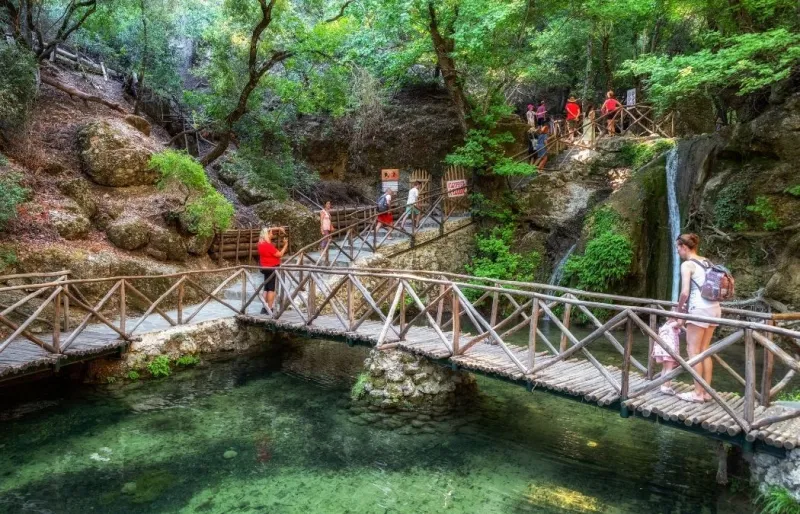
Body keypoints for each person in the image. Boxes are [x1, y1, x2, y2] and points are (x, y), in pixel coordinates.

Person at [676, 233, 721, 403]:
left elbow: (685, 292)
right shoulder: (707, 261)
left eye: (678, 248)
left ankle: (697, 393)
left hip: (699, 310)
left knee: (693, 351)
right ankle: (706, 392)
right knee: (704, 351)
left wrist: (679, 313)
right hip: (715, 309)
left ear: (684, 247)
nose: (678, 251)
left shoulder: (687, 265)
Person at [257, 226, 288, 315]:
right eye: (270, 233)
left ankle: (264, 307)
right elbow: (280, 254)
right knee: (271, 289)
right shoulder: (268, 246)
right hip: (272, 268)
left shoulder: (260, 244)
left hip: (264, 267)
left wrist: (278, 228)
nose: (272, 234)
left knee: (266, 288)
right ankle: (269, 308)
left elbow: (268, 229)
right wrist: (285, 244)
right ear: (266, 235)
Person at [653, 313, 681, 395]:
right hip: (669, 350)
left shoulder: (664, 326)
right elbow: (679, 324)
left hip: (662, 349)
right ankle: (666, 386)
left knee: (664, 368)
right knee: (669, 369)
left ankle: (662, 385)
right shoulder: (674, 324)